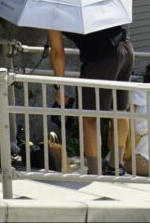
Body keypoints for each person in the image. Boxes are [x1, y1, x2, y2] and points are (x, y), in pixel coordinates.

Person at [48, 25, 134, 175]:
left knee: (89, 117)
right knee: (119, 110)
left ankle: (95, 171)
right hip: (125, 47)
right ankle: (116, 167)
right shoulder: (92, 0)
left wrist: (59, 88)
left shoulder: (53, 9)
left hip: (100, 56)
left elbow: (57, 53)